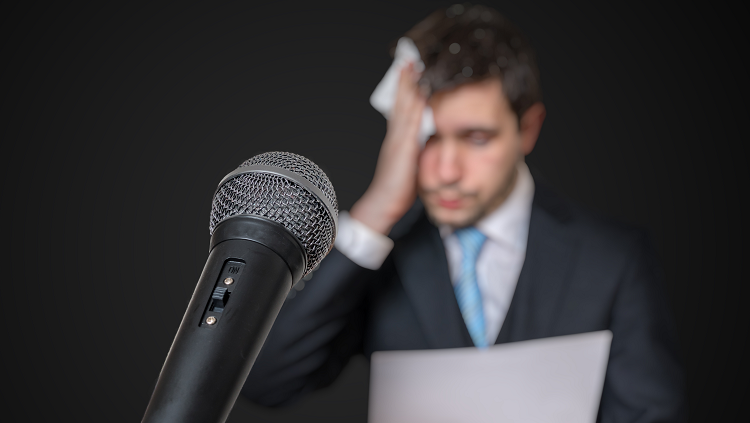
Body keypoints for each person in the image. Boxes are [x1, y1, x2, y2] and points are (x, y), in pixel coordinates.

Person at [241, 4, 686, 421]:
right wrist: (376, 212)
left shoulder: (613, 257)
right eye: (428, 137)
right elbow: (263, 380)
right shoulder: (381, 258)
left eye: (476, 137)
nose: (446, 171)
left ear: (527, 129)